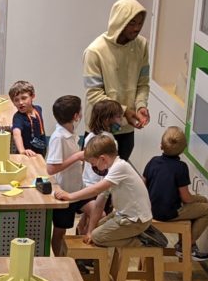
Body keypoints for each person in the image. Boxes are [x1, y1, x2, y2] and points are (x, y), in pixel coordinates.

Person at [54, 134, 153, 249]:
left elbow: (96, 190)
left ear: (102, 159)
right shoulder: (111, 170)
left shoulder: (120, 167)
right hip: (125, 215)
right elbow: (99, 204)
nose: (93, 167)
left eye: (93, 164)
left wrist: (70, 196)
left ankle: (143, 243)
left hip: (136, 220)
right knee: (97, 229)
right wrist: (89, 231)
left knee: (97, 237)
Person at [83, 0, 151, 160]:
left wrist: (141, 105)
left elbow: (143, 83)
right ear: (119, 21)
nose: (137, 28)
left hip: (126, 128)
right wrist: (124, 110)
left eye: (140, 23)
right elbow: (94, 94)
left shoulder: (141, 45)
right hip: (100, 127)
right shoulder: (95, 51)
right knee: (95, 176)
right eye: (131, 23)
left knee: (119, 176)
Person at [143, 127, 208, 261]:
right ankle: (186, 246)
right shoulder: (181, 167)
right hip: (168, 213)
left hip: (150, 209)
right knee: (207, 209)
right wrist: (198, 198)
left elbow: (143, 185)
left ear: (161, 145)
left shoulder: (153, 161)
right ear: (183, 149)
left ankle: (188, 245)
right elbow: (186, 198)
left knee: (198, 206)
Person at [45, 95, 86, 257]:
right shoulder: (59, 137)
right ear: (76, 116)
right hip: (64, 190)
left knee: (97, 212)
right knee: (60, 231)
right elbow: (50, 168)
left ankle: (82, 252)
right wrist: (76, 157)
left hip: (77, 188)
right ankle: (59, 258)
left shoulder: (71, 132)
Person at [9, 80, 47, 157]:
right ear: (13, 102)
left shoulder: (38, 109)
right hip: (27, 154)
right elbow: (17, 134)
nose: (20, 102)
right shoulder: (18, 117)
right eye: (16, 100)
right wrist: (22, 151)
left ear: (32, 96)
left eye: (24, 98)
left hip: (41, 149)